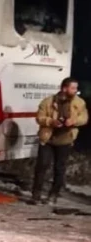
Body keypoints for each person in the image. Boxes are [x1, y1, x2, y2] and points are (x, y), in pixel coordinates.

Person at [32, 77, 88, 205]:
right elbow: (39, 117)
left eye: (76, 88)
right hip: (48, 138)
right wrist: (51, 122)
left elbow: (84, 118)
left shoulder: (79, 103)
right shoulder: (48, 102)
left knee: (60, 168)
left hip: (65, 139)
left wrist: (74, 121)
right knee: (42, 165)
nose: (76, 90)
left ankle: (53, 195)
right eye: (73, 88)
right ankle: (36, 194)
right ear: (64, 88)